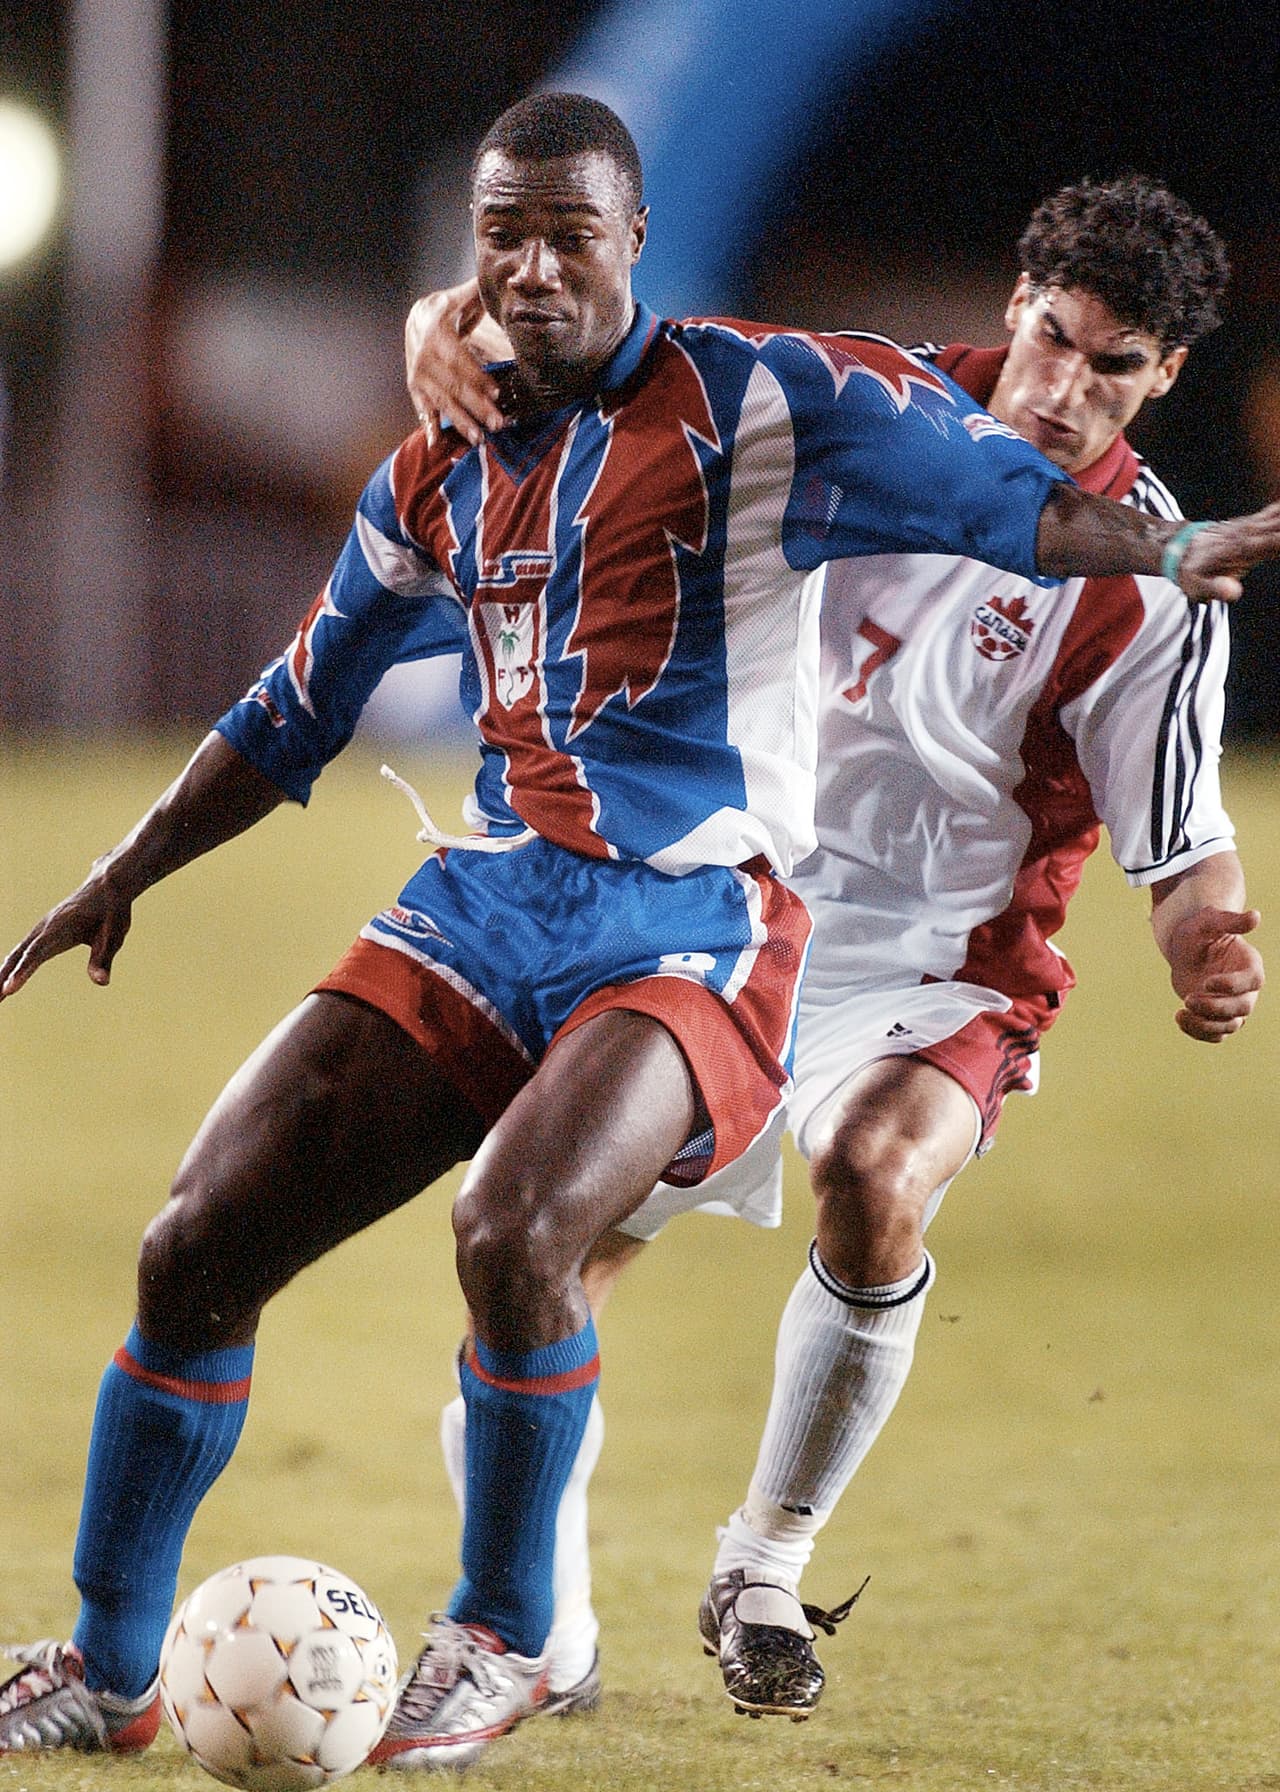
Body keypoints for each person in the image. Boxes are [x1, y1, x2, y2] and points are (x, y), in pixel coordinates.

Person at [1, 96, 1274, 1770]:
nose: (530, 271)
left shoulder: (788, 402)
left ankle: (614, 1608)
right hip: (500, 892)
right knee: (202, 1248)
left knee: (572, 1222)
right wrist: (131, 864)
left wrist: (1178, 560)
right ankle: (124, 1665)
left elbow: (1042, 550)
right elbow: (306, 692)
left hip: (762, 929)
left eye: (571, 238)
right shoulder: (469, 452)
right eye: (498, 242)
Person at [402, 172, 1265, 1729]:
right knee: (533, 1262)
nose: (1068, 389)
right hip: (727, 916)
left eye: (1116, 363)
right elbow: (629, 355)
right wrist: (443, 322)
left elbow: (1180, 827)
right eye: (1055, 338)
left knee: (875, 1170)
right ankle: (552, 1630)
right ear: (1014, 303)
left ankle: (763, 1567)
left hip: (941, 964)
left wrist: (1208, 937)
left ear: (1168, 376)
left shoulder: (1147, 578)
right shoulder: (858, 408)